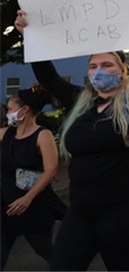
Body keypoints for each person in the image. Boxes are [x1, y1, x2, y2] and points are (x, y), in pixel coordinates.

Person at [14, 0, 129, 271]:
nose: (99, 70)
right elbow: (47, 76)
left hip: (124, 213)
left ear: (122, 71)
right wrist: (30, 36)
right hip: (81, 212)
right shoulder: (80, 102)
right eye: (93, 66)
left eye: (107, 65)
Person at [1, 87, 64, 270]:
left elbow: (51, 170)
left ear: (25, 110)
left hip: (33, 207)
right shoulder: (6, 134)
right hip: (5, 204)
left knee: (45, 250)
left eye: (10, 109)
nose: (8, 113)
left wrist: (28, 198)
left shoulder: (43, 135)